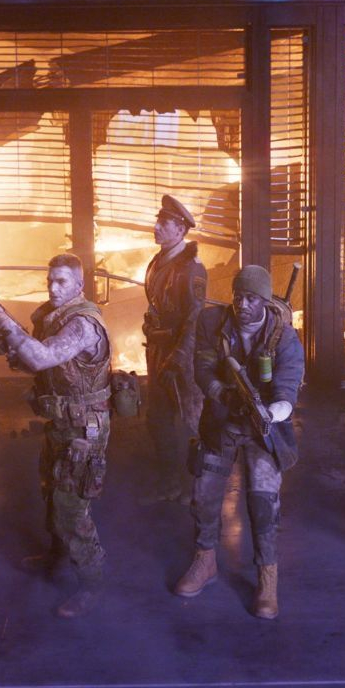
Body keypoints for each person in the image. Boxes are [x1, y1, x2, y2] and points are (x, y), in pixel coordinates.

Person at [0, 253, 112, 619]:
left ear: (80, 285)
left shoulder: (83, 323)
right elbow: (32, 359)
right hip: (61, 422)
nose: (53, 287)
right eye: (50, 280)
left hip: (84, 428)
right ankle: (58, 555)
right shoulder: (53, 317)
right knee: (52, 489)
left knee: (71, 505)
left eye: (62, 281)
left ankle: (92, 583)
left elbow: (41, 358)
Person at [173, 265, 304, 620]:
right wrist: (224, 394)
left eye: (251, 298)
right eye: (238, 296)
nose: (242, 305)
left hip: (264, 430)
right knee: (204, 494)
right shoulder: (212, 322)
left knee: (263, 503)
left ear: (264, 301)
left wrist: (270, 413)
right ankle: (205, 561)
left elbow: (288, 389)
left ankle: (267, 577)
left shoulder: (284, 337)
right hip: (222, 422)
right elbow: (202, 369)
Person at [141, 195, 207, 504]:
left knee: (192, 421)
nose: (156, 227)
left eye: (164, 223)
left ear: (180, 230)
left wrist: (178, 359)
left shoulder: (191, 269)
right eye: (158, 221)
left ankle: (199, 487)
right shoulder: (158, 262)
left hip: (181, 356)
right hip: (158, 352)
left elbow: (194, 319)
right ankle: (170, 484)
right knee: (158, 420)